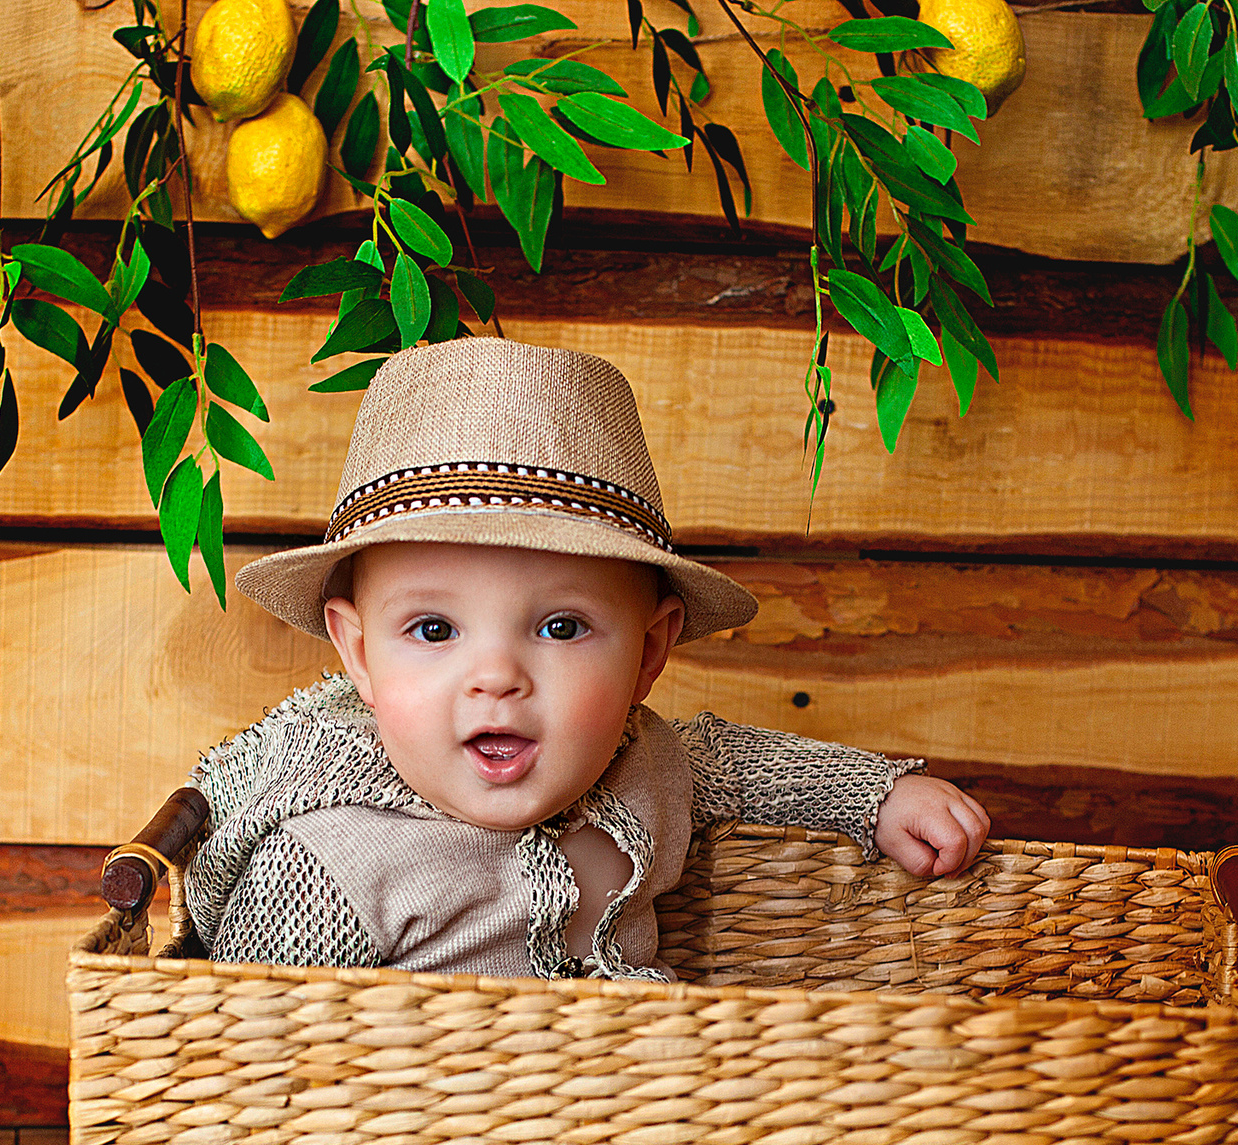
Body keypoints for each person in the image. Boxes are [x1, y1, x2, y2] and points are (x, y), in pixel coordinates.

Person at [186, 337, 990, 980]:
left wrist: (876, 795)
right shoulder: (330, 861)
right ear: (358, 653)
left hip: (635, 1144)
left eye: (562, 627)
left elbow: (739, 766)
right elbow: (254, 1065)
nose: (496, 676)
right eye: (434, 630)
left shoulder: (644, 764)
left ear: (650, 652)